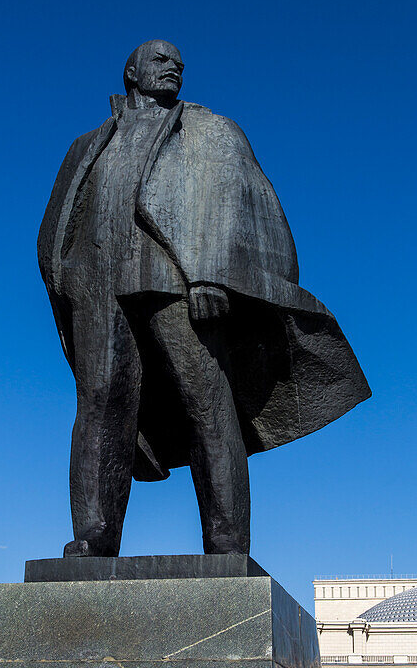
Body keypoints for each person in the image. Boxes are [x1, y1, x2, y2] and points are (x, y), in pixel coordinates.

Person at [38, 40, 370, 557]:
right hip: (97, 283)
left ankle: (226, 539)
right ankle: (94, 536)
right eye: (160, 59)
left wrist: (210, 274)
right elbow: (61, 216)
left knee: (207, 402)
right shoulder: (87, 144)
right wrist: (65, 278)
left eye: (179, 63)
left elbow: (238, 201)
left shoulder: (210, 130)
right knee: (100, 405)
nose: (174, 66)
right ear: (131, 71)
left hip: (174, 278)